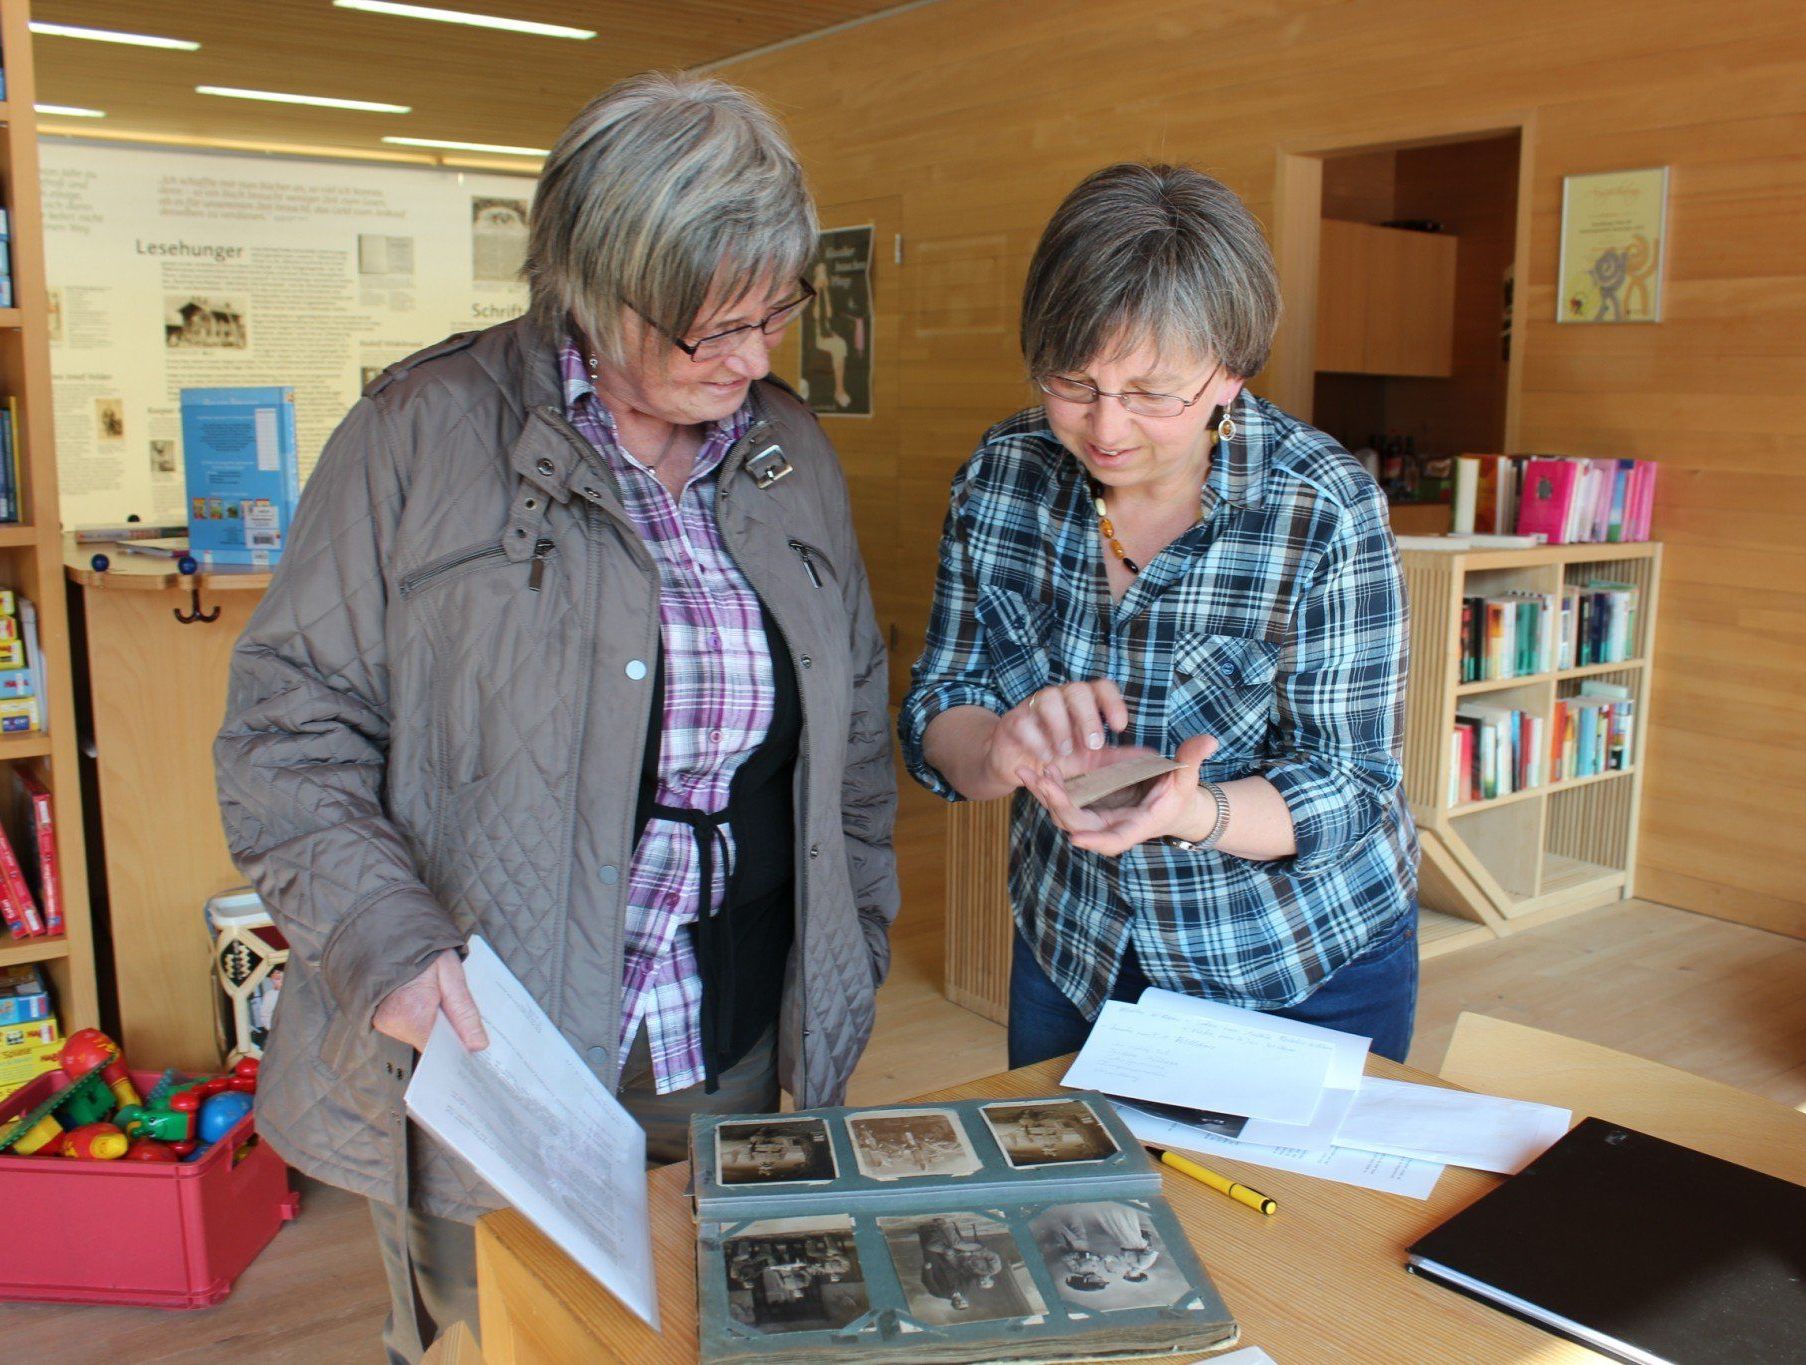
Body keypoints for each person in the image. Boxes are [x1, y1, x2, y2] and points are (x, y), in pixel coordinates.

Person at [215, 73, 897, 1363]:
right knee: (494, 1345)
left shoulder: (787, 451)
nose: (753, 359)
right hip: (491, 1042)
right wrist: (382, 940)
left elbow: (851, 728)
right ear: (592, 287)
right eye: (711, 329)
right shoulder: (419, 436)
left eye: (773, 313)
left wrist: (849, 942)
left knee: (723, 1337)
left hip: (728, 1034)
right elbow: (284, 735)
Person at [900, 162, 1417, 1072]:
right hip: (1076, 948)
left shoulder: (1321, 508)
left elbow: (1351, 785)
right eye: (1073, 380)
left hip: (1291, 964)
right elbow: (942, 696)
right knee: (1075, 1213)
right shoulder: (1003, 476)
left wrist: (1194, 810)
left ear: (1230, 372)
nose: (1105, 428)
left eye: (1150, 392)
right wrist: (996, 747)